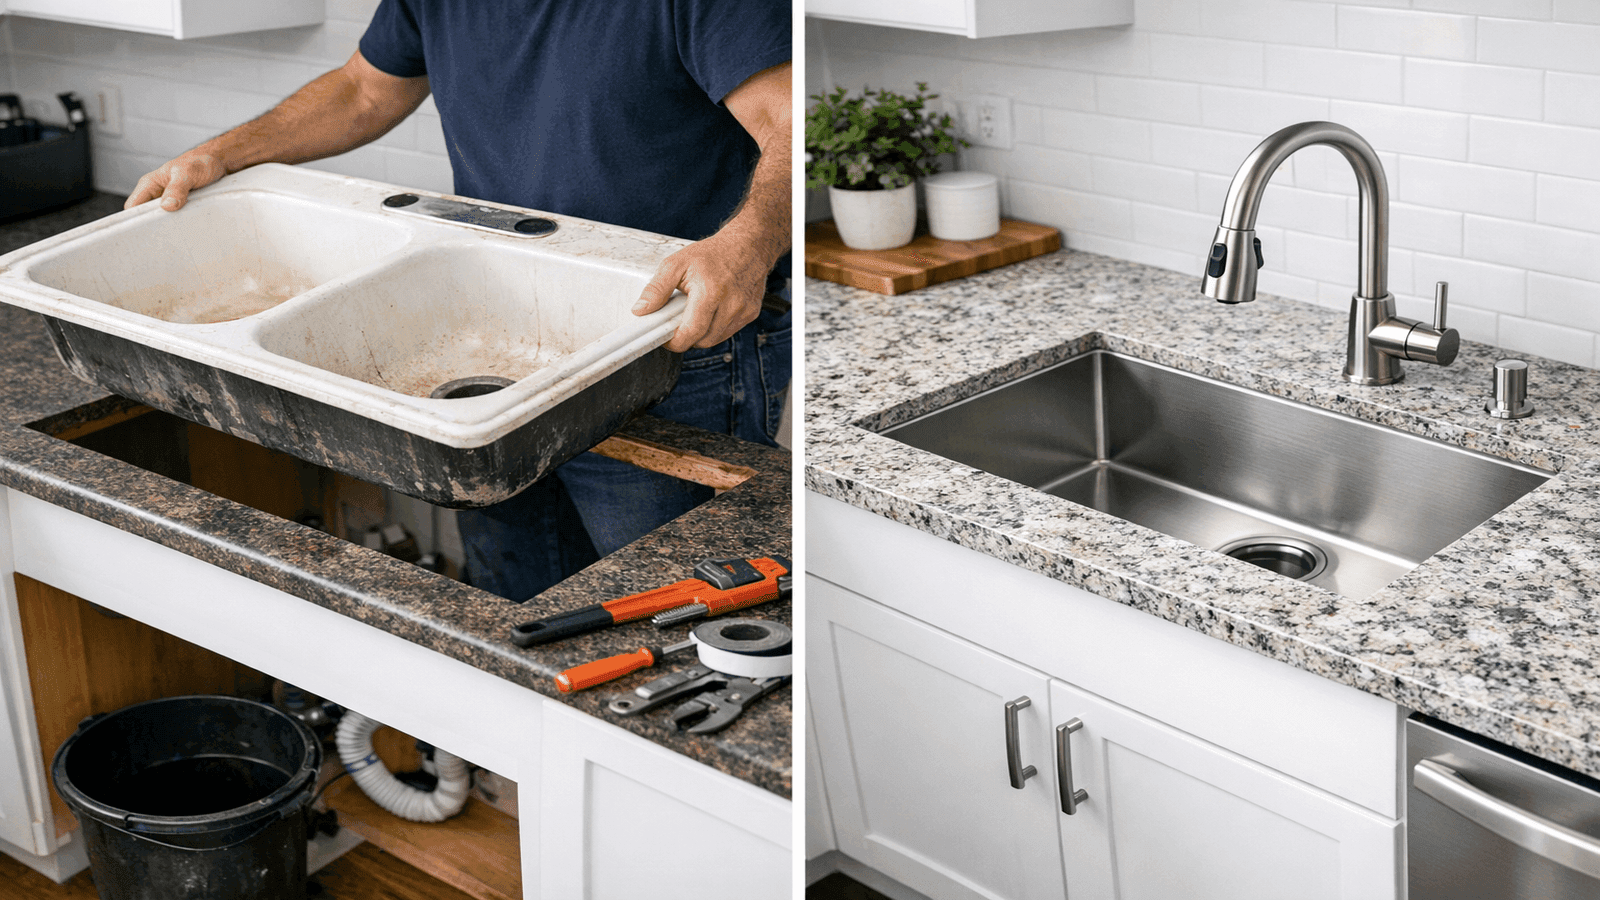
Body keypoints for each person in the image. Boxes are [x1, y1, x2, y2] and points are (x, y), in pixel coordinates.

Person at [126, 1, 792, 600]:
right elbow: (362, 90)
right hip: (500, 332)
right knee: (519, 599)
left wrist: (745, 246)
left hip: (668, 343)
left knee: (680, 610)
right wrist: (224, 153)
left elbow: (796, 124)